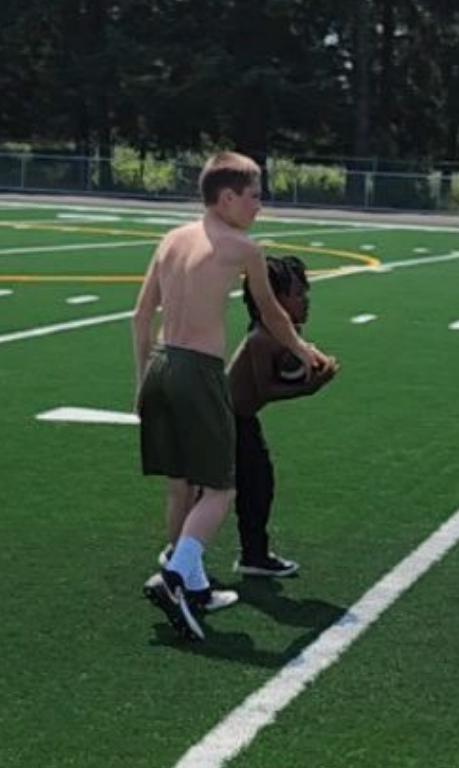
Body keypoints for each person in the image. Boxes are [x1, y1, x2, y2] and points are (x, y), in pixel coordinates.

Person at [133, 151, 332, 643]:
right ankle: (176, 575)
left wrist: (141, 382)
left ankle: (192, 584)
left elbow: (139, 317)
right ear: (226, 198)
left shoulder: (171, 238)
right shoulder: (243, 247)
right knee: (220, 488)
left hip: (160, 363)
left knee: (181, 483)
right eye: (254, 195)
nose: (259, 205)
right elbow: (273, 315)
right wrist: (305, 352)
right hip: (198, 371)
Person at [226, 255, 336, 577]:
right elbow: (265, 389)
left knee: (252, 485)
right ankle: (248, 555)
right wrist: (312, 385)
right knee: (239, 487)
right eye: (298, 294)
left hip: (241, 419)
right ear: (273, 301)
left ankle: (251, 553)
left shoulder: (282, 333)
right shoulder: (263, 336)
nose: (306, 301)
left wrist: (313, 363)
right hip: (226, 419)